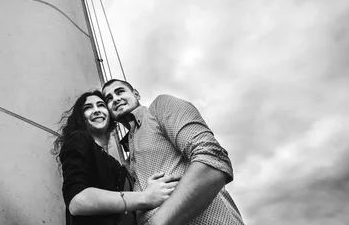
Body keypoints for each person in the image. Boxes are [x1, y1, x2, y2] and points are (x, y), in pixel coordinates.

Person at [102, 80, 244, 225]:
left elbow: (213, 159)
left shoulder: (160, 107)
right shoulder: (128, 157)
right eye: (109, 99)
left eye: (120, 92)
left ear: (136, 94)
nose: (116, 99)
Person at [53, 90, 179, 225]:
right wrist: (145, 197)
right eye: (88, 107)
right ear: (81, 117)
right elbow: (77, 200)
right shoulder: (79, 139)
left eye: (101, 105)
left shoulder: (118, 165)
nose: (96, 110)